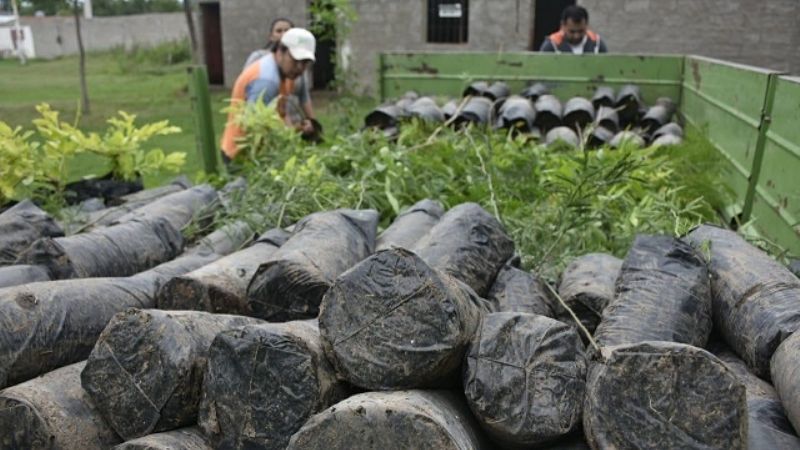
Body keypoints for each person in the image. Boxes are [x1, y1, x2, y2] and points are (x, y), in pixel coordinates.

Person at [221, 28, 316, 160]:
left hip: (260, 155)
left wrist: (296, 129)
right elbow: (255, 129)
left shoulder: (286, 75)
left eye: (305, 62)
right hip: (244, 156)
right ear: (281, 50)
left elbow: (281, 115)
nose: (300, 68)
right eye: (295, 60)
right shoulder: (267, 81)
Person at [540, 6, 607, 55]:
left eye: (581, 31)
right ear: (562, 25)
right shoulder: (551, 45)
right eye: (572, 32)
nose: (576, 36)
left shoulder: (597, 43)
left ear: (587, 25)